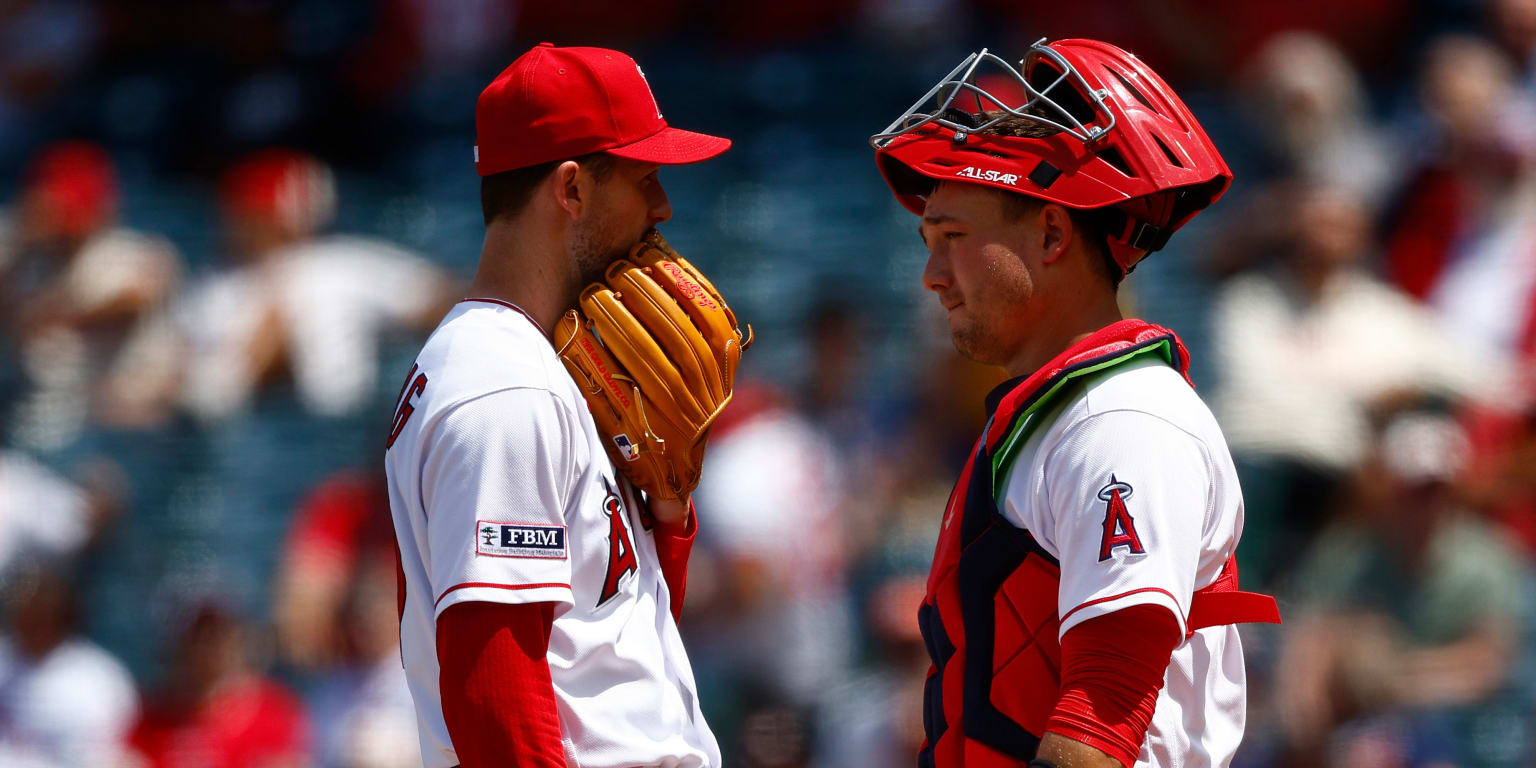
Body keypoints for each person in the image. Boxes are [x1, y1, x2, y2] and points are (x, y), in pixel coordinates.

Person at [868, 40, 1280, 767]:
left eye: (954, 238)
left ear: (1053, 233)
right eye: (928, 242)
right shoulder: (1055, 413)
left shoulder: (1123, 422)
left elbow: (1105, 709)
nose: (932, 275)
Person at [384, 43, 729, 768]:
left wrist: (667, 509)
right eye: (645, 178)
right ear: (571, 190)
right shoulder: (502, 389)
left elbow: (607, 633)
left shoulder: (540, 368)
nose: (663, 207)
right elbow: (494, 692)